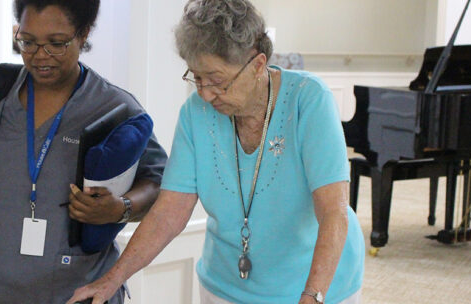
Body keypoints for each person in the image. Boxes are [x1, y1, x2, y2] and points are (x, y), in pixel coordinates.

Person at [68, 0, 364, 303]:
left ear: (258, 65)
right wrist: (112, 280)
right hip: (225, 288)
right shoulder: (195, 113)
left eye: (218, 81)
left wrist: (312, 296)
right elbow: (169, 212)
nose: (206, 93)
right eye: (197, 77)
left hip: (316, 286)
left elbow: (332, 212)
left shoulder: (309, 102)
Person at [0, 0, 167, 303]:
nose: (40, 56)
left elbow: (160, 184)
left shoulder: (115, 108)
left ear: (84, 33)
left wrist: (121, 207)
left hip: (71, 288)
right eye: (27, 41)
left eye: (57, 43)